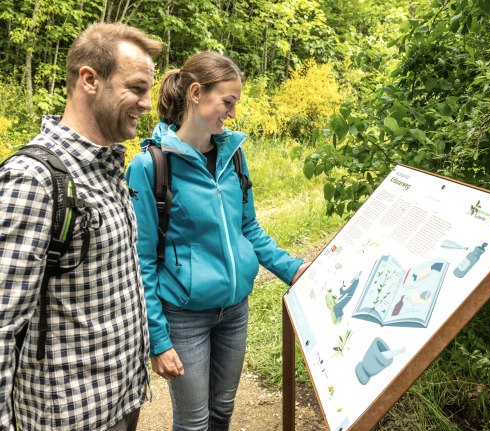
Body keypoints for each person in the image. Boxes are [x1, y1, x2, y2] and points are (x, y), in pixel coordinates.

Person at [125, 51, 309, 431]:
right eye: (228, 101)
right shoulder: (150, 166)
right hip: (184, 316)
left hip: (234, 310)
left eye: (235, 102)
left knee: (223, 409)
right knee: (193, 422)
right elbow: (141, 261)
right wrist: (158, 341)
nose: (233, 112)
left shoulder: (233, 156)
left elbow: (249, 230)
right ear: (196, 93)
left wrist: (295, 269)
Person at [0, 22, 162, 430]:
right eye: (137, 88)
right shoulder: (33, 180)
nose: (147, 104)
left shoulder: (107, 166)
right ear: (90, 80)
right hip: (69, 416)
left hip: (123, 399)